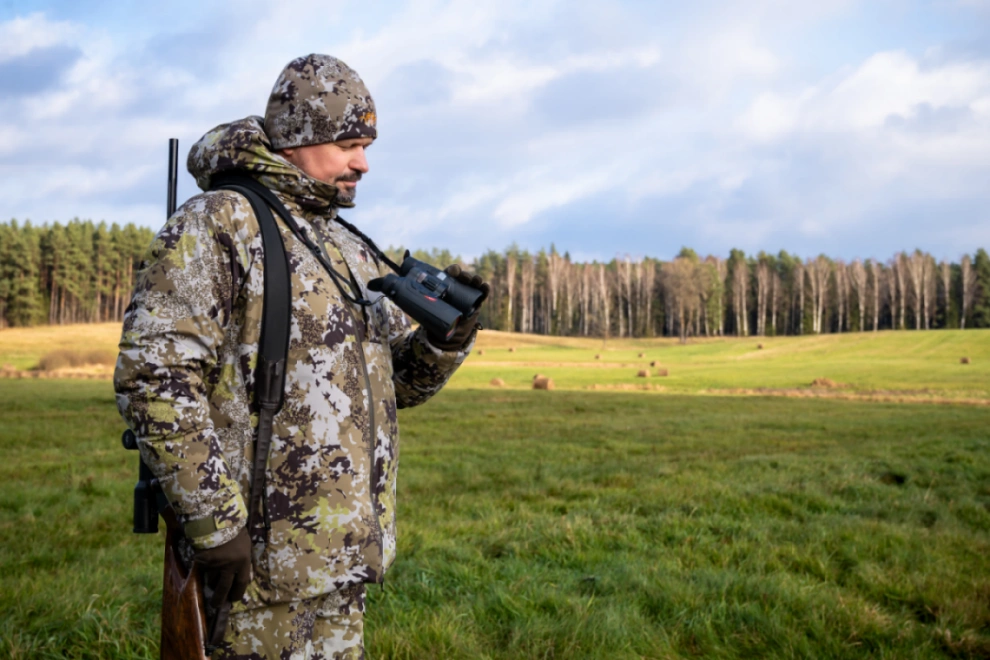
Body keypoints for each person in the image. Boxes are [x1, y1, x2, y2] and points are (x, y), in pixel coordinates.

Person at [114, 54, 486, 659]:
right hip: (254, 565)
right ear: (297, 139)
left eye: (366, 145)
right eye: (347, 144)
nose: (362, 162)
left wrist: (445, 341)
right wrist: (214, 524)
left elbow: (398, 384)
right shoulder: (219, 224)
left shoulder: (346, 246)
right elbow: (156, 377)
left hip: (341, 560)